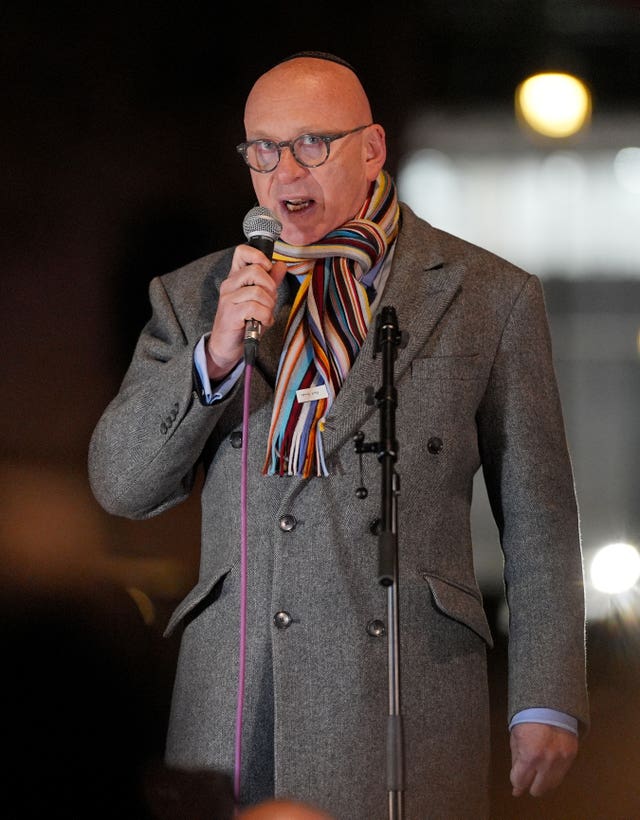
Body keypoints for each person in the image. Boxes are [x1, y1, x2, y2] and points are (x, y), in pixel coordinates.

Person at [88, 51, 589, 819]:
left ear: (373, 148)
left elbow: (539, 516)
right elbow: (120, 486)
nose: (284, 171)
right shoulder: (197, 296)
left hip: (406, 691)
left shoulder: (488, 296)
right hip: (236, 697)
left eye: (311, 143)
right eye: (262, 149)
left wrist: (547, 697)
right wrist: (213, 358)